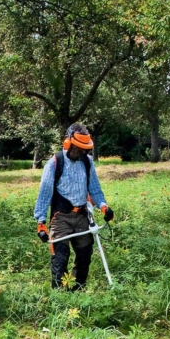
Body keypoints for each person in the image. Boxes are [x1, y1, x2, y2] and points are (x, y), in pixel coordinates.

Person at [34, 123, 114, 289]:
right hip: (61, 217)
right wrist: (41, 223)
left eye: (84, 149)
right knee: (60, 257)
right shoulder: (54, 164)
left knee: (85, 256)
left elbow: (95, 189)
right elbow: (44, 194)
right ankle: (58, 295)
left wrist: (104, 206)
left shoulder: (87, 162)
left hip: (82, 217)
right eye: (77, 148)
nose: (81, 152)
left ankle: (78, 291)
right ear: (67, 143)